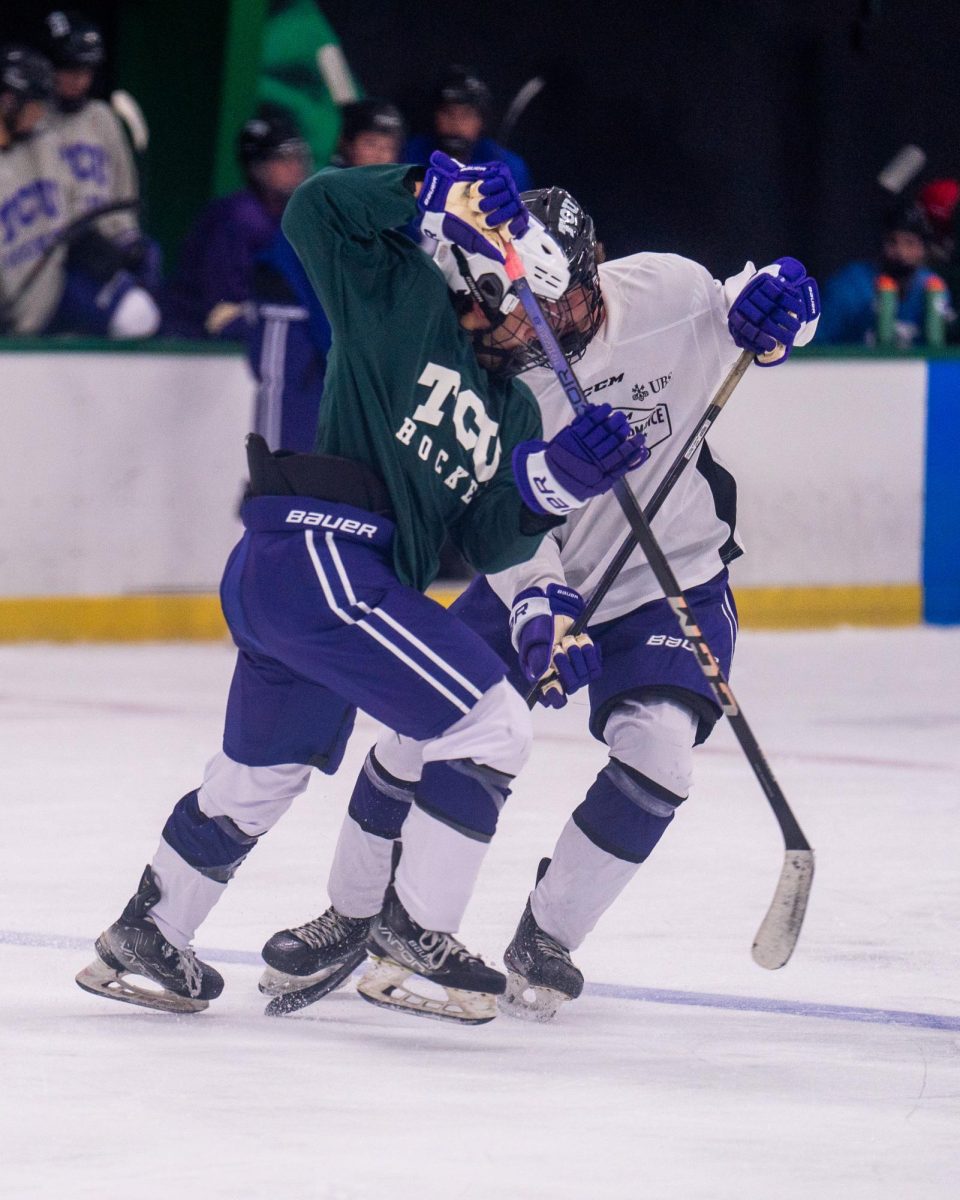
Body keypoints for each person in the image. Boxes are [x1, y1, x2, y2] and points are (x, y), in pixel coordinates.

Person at [75, 154, 649, 1024]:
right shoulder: (400, 292)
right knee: (490, 724)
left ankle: (149, 934)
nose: (555, 331)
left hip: (304, 580)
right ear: (501, 280)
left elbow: (489, 535)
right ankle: (416, 928)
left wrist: (556, 482)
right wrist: (438, 188)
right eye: (547, 306)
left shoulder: (518, 412)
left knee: (257, 779)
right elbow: (313, 208)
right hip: (323, 557)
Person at [258, 187, 820, 1021]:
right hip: (535, 571)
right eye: (515, 304)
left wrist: (784, 314)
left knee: (659, 755)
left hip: (671, 579)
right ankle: (354, 912)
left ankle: (547, 936)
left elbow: (749, 317)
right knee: (420, 731)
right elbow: (499, 524)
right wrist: (539, 604)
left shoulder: (662, 290)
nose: (533, 326)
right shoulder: (485, 371)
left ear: (591, 273)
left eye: (552, 301)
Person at [247, 99, 404, 452]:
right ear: (347, 144)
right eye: (370, 144)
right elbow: (311, 276)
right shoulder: (326, 190)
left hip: (334, 331)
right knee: (284, 438)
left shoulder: (388, 205)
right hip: (292, 319)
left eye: (387, 146)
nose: (380, 155)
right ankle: (270, 490)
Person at [0, 43, 158, 339]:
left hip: (63, 286)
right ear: (9, 101)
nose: (41, 113)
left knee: (138, 315)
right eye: (35, 103)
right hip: (18, 312)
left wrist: (102, 243)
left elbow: (74, 208)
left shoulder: (43, 143)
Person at [161, 106, 311, 339]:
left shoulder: (293, 218)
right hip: (190, 337)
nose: (295, 168)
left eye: (298, 158)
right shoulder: (240, 217)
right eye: (283, 159)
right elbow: (223, 310)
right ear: (256, 167)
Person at [40, 9, 159, 295]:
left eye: (86, 71)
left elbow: (124, 194)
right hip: (60, 253)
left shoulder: (103, 118)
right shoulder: (33, 122)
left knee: (150, 260)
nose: (80, 80)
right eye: (70, 69)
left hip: (109, 241)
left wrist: (129, 239)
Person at [817, 201, 951, 346]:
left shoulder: (933, 287)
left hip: (917, 368)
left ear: (923, 249)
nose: (901, 252)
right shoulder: (849, 285)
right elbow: (818, 344)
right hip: (853, 367)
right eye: (892, 242)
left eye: (910, 243)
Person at [406, 65, 532, 192]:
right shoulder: (410, 155)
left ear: (482, 121)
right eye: (448, 113)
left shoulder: (507, 167)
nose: (456, 123)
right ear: (434, 116)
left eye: (466, 114)